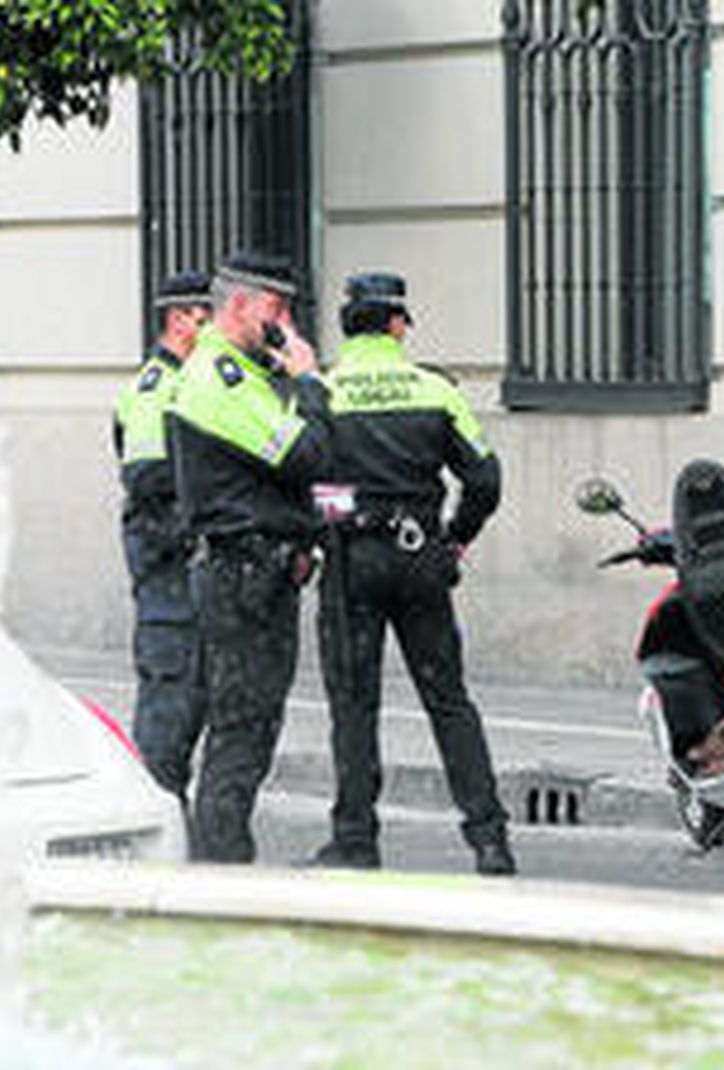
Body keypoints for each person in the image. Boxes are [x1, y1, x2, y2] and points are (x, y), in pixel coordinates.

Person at [309, 272, 514, 876]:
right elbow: (485, 480)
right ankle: (489, 839)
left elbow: (303, 479)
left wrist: (333, 522)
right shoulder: (434, 389)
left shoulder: (322, 392)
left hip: (351, 561)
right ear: (397, 326)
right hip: (420, 554)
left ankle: (355, 840)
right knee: (448, 700)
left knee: (354, 704)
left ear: (348, 325)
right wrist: (454, 540)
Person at [166, 251, 331, 863]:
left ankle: (219, 858)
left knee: (246, 727)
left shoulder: (244, 372)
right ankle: (221, 869)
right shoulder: (222, 378)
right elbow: (308, 456)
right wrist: (309, 382)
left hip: (251, 571)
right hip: (244, 575)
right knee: (242, 731)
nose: (285, 324)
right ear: (238, 304)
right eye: (276, 309)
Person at [112, 271, 212, 808]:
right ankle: (156, 814)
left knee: (191, 695)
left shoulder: (186, 382)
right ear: (178, 320)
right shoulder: (157, 386)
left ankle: (171, 809)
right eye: (205, 317)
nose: (215, 327)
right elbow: (148, 480)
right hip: (168, 565)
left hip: (180, 561)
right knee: (170, 697)